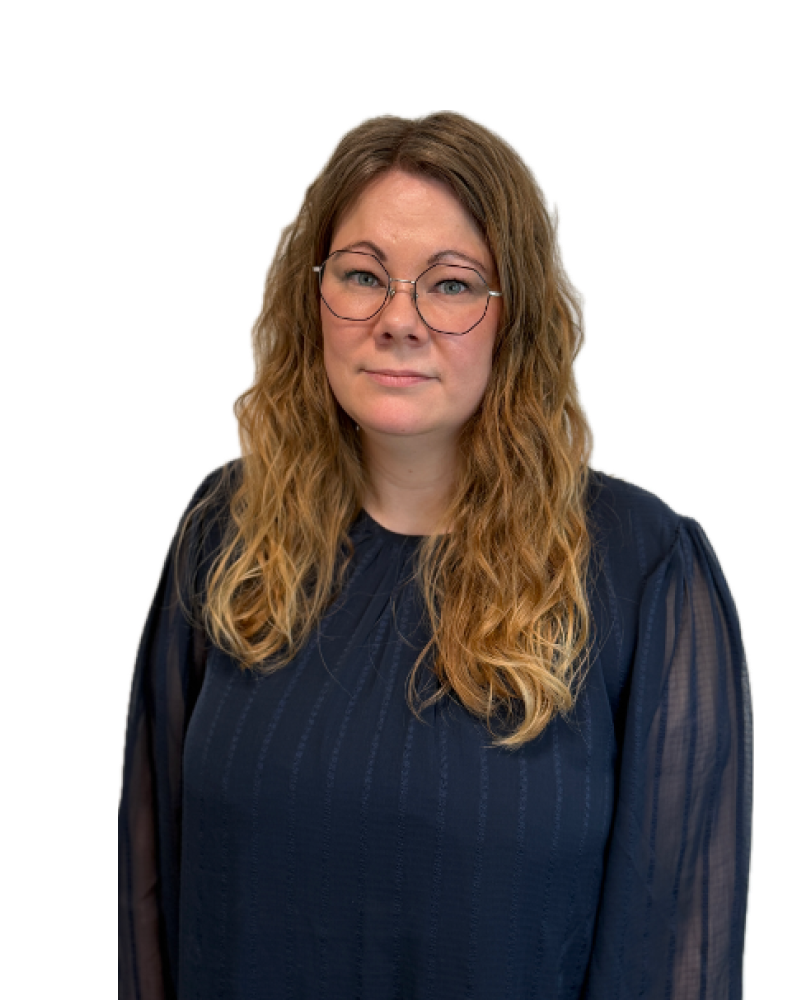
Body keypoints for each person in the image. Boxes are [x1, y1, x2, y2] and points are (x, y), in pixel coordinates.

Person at [118, 110, 753, 999]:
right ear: (313, 296)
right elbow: (146, 903)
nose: (398, 320)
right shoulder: (228, 531)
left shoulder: (646, 570)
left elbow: (672, 945)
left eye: (451, 285)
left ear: (513, 315)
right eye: (362, 275)